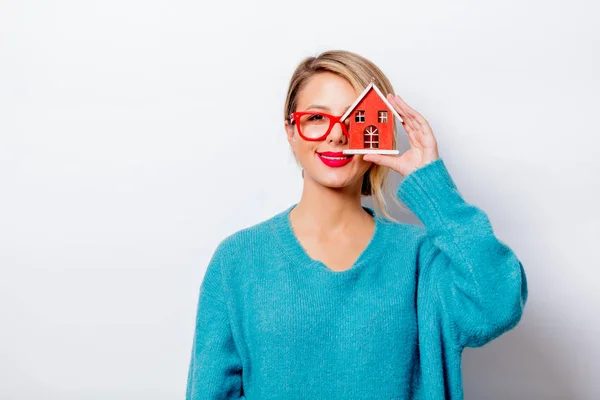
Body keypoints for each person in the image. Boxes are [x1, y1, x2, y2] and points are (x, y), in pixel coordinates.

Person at [185, 50, 528, 399]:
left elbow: (498, 304)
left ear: (380, 132)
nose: (336, 135)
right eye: (317, 117)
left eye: (355, 118)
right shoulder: (238, 260)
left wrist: (433, 185)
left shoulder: (424, 259)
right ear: (291, 131)